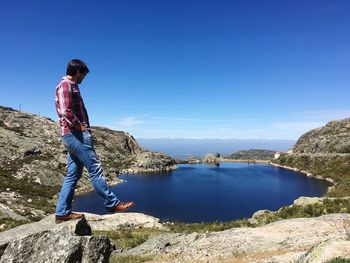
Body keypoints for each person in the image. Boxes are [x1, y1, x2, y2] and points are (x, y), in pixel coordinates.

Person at [54, 59, 134, 223]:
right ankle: (112, 203)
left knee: (73, 174)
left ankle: (62, 212)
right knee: (95, 168)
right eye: (83, 74)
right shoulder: (66, 85)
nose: (84, 78)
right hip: (75, 135)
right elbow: (65, 111)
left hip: (72, 135)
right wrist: (79, 126)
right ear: (77, 72)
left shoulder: (71, 86)